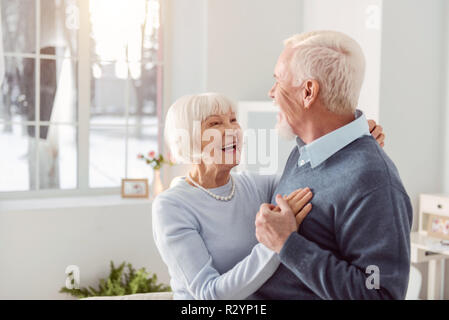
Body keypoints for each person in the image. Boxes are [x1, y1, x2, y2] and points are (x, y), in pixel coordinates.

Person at [152, 91, 385, 300]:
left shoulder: (256, 185)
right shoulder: (171, 206)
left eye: (233, 120)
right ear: (187, 139)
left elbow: (316, 182)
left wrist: (355, 145)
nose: (232, 129)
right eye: (215, 123)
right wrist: (277, 242)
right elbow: (209, 295)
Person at [252, 30, 413, 300]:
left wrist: (288, 244)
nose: (271, 93)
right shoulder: (303, 153)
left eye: (278, 80)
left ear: (308, 91)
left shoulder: (374, 182)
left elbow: (379, 294)